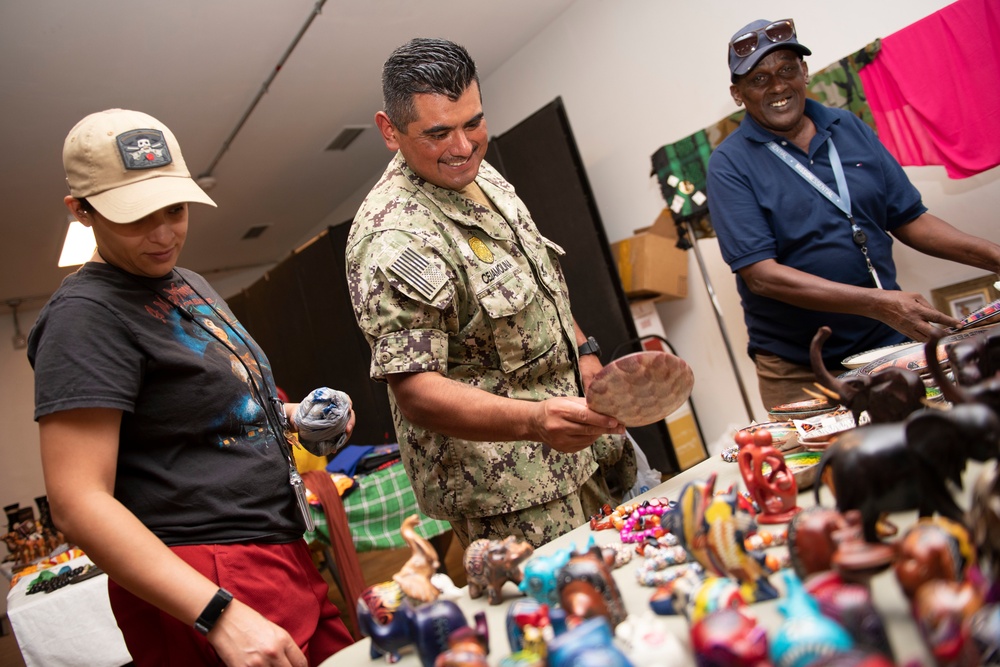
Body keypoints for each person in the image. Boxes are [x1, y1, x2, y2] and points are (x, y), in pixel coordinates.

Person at [28, 109, 355, 666]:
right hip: (203, 575)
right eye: (136, 217)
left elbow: (219, 409)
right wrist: (218, 613)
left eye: (175, 209)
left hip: (276, 549)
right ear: (80, 210)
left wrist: (297, 415)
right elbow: (78, 502)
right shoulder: (84, 316)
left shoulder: (189, 285)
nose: (162, 233)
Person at [345, 38, 635, 550]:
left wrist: (585, 352)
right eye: (438, 133)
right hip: (510, 490)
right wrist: (536, 420)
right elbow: (417, 392)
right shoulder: (394, 237)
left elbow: (540, 285)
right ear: (390, 131)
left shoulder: (476, 172)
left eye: (473, 122)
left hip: (581, 447)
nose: (462, 146)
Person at [706, 18, 1000, 411]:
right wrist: (879, 302)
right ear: (738, 94)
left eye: (786, 70)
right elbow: (761, 276)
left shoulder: (848, 127)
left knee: (922, 446)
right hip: (799, 367)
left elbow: (912, 221)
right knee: (834, 468)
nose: (777, 86)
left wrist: (994, 255)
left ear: (804, 72)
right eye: (758, 79)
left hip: (887, 340)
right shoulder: (729, 164)